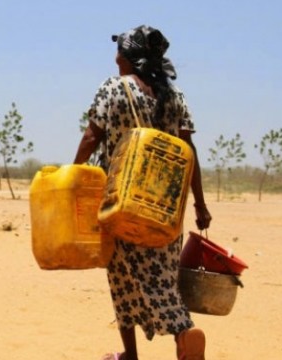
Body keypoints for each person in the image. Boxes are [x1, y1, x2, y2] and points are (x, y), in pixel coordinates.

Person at [73, 25, 212, 360]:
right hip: (166, 208)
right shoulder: (175, 97)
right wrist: (200, 204)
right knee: (162, 278)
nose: (114, 56)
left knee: (122, 279)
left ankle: (139, 350)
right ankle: (181, 333)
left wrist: (73, 175)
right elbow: (189, 153)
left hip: (121, 203)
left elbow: (92, 137)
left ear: (130, 56)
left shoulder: (113, 89)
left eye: (119, 50)